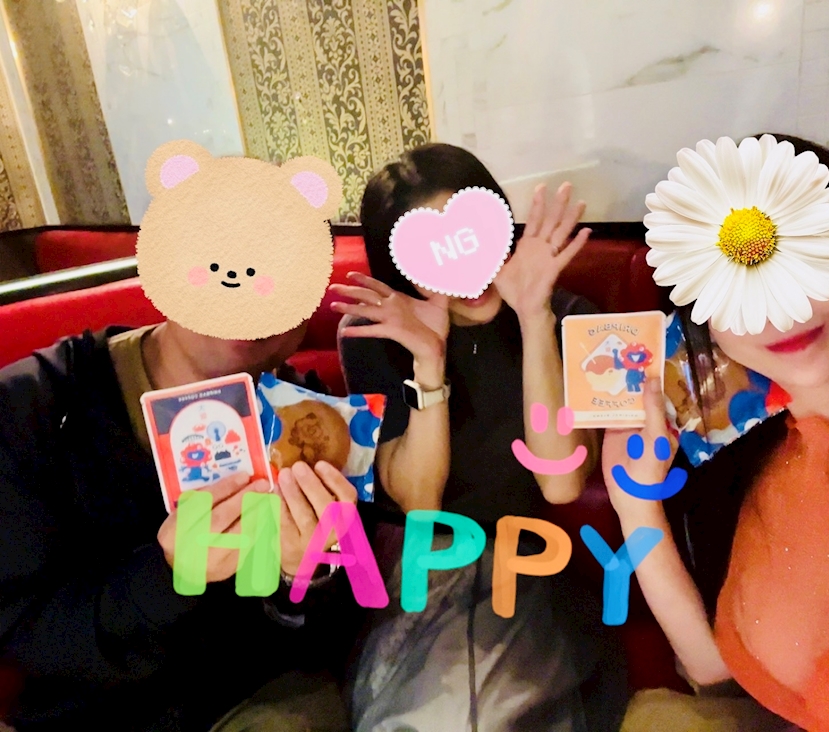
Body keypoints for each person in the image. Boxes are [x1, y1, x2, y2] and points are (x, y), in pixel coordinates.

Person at [334, 143, 629, 731]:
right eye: (433, 255)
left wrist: (535, 317)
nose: (466, 271)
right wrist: (429, 359)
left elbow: (562, 483)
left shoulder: (572, 316)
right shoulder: (376, 334)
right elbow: (420, 503)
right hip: (419, 572)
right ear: (401, 270)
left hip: (522, 567)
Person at [0, 316, 363, 732]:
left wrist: (305, 574)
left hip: (261, 701)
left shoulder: (310, 419)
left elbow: (325, 639)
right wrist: (167, 575)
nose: (246, 302)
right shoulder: (30, 405)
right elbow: (26, 637)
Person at [604, 134, 829, 732]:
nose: (781, 309)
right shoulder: (753, 452)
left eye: (807, 259)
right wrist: (635, 501)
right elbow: (712, 666)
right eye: (737, 278)